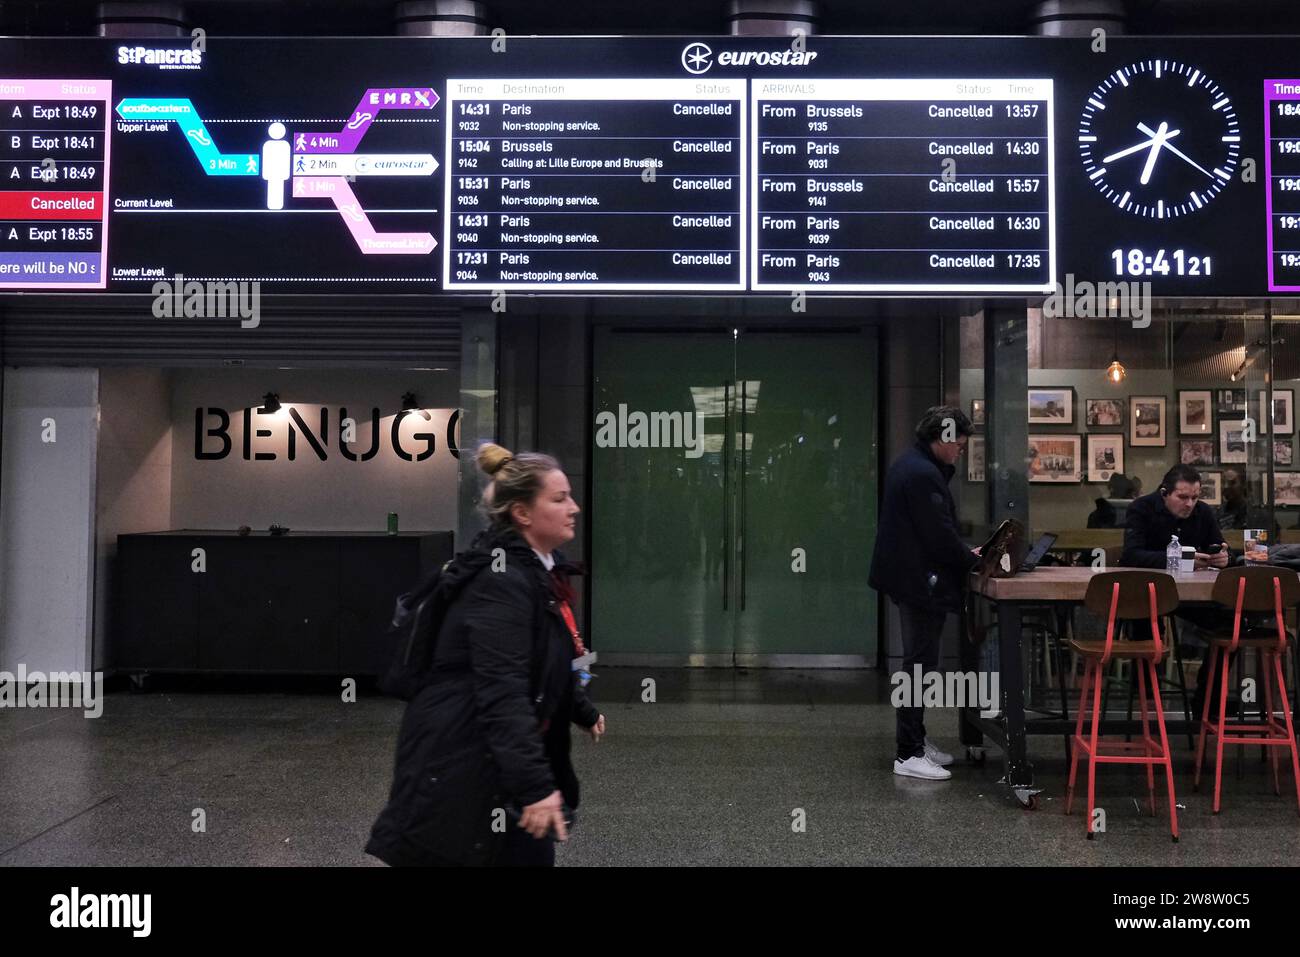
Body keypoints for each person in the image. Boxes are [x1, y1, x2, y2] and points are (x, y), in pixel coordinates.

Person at [366, 443, 605, 867]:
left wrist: (580, 708)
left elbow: (549, 656)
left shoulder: (540, 572)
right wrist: (535, 786)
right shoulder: (502, 583)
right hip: (462, 762)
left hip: (495, 760)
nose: (575, 507)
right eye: (559, 498)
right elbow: (503, 689)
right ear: (522, 514)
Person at [869, 406, 978, 781]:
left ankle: (917, 740)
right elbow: (938, 536)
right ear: (944, 437)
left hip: (911, 577)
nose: (961, 451)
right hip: (918, 581)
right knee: (918, 666)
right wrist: (971, 561)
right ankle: (908, 752)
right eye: (959, 444)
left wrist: (964, 555)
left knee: (919, 663)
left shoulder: (915, 465)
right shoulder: (922, 474)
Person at [1119, 463, 1232, 718]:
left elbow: (1220, 545)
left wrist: (1224, 557)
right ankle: (1146, 706)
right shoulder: (1141, 508)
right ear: (1164, 493)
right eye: (1182, 497)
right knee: (1145, 627)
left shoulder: (1202, 512)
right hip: (1148, 594)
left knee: (1230, 624)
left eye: (1194, 497)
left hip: (1191, 595)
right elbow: (1132, 555)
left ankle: (1207, 701)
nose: (1189, 504)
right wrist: (1183, 560)